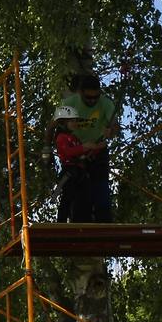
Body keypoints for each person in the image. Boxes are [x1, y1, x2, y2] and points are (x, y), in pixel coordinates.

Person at [55, 73, 117, 222]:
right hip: (75, 158)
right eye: (88, 97)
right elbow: (52, 126)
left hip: (97, 152)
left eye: (95, 97)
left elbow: (115, 126)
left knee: (100, 189)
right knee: (78, 195)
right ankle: (77, 223)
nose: (92, 101)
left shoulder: (106, 103)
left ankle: (104, 223)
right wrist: (46, 149)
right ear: (80, 92)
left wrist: (111, 131)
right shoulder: (68, 103)